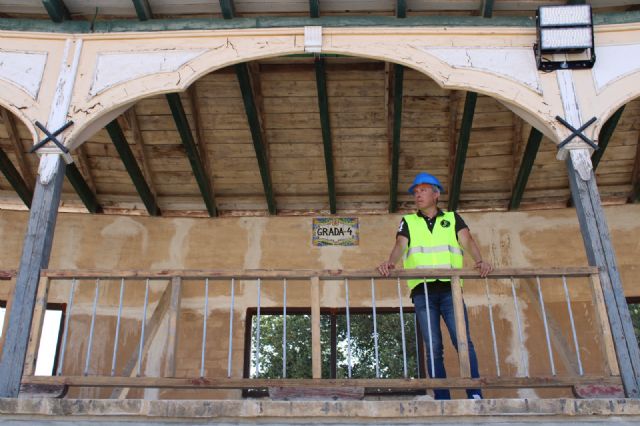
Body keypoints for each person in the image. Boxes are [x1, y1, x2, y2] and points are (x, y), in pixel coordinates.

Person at [377, 172, 492, 400]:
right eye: (415, 192)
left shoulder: (452, 218)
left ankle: (474, 393)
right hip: (422, 291)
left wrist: (480, 260)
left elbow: (467, 240)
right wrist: (390, 262)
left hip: (451, 289)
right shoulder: (408, 221)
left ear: (436, 193)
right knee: (433, 347)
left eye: (423, 190)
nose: (418, 194)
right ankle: (441, 397)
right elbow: (401, 244)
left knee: (462, 342)